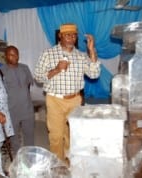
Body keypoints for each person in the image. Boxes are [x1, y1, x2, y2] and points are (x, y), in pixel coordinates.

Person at [34, 23, 101, 164]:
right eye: (67, 35)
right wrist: (57, 69)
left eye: (74, 35)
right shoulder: (48, 54)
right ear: (60, 36)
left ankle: (71, 159)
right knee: (56, 135)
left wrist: (92, 51)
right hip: (55, 100)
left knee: (73, 134)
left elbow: (94, 74)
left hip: (75, 100)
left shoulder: (81, 56)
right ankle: (57, 164)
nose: (71, 38)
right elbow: (38, 77)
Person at [0, 45, 35, 155]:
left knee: (29, 135)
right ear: (5, 56)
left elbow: (28, 84)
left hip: (27, 108)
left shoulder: (24, 68)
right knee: (14, 138)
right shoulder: (1, 71)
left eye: (16, 54)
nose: (14, 57)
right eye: (11, 55)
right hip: (11, 110)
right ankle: (18, 159)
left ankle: (29, 157)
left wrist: (23, 96)